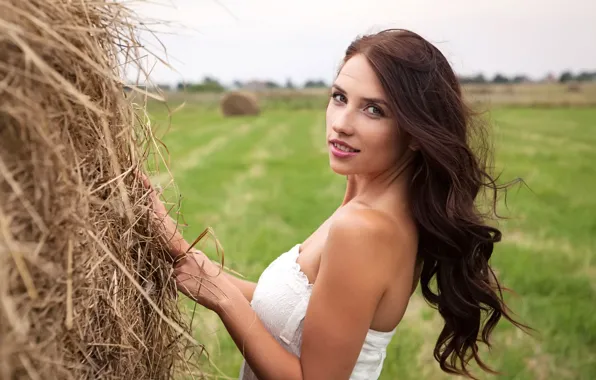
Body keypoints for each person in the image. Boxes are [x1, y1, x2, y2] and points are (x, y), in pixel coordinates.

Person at [141, 28, 528, 380]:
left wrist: (221, 299)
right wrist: (185, 251)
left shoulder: (365, 228)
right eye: (339, 97)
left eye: (374, 109)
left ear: (414, 132)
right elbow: (291, 312)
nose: (341, 122)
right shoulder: (364, 207)